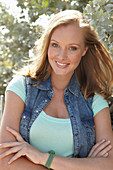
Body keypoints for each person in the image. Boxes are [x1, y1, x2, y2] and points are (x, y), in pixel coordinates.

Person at [0, 9, 113, 170]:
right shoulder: (21, 89)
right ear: (47, 45)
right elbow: (4, 161)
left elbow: (109, 164)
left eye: (72, 48)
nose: (61, 56)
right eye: (55, 45)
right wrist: (84, 166)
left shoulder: (94, 101)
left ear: (84, 50)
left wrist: (43, 158)